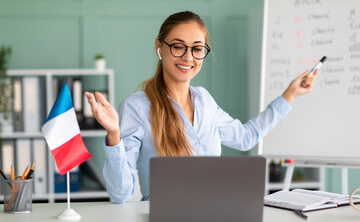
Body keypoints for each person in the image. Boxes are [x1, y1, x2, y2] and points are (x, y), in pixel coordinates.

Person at [85, 11, 317, 203]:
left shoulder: (205, 100)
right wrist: (114, 135)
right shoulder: (137, 107)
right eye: (178, 46)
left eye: (197, 49)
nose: (188, 57)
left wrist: (290, 94)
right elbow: (120, 194)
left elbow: (246, 137)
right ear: (160, 47)